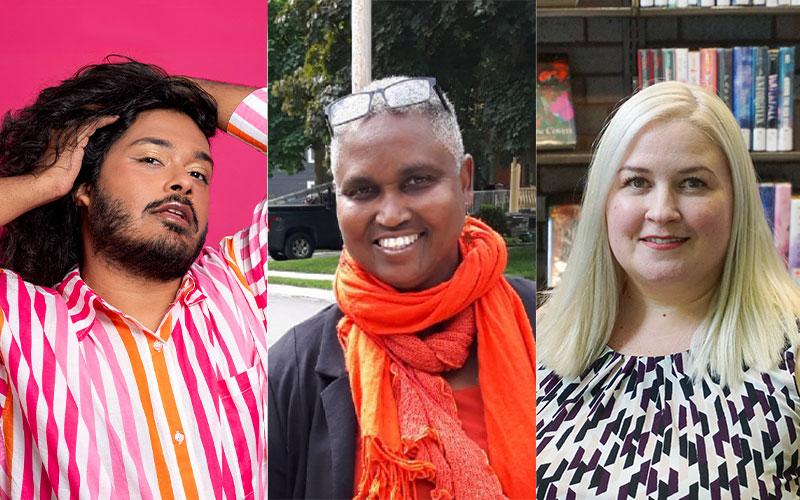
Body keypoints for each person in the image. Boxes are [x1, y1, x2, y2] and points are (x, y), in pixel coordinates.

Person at [0, 60, 267, 497]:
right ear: (82, 188)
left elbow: (323, 134)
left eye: (199, 173)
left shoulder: (244, 284)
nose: (182, 182)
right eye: (152, 159)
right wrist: (43, 183)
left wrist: (169, 89)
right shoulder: (20, 327)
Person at [268, 76, 536, 499]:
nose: (391, 215)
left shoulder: (541, 324)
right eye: (362, 191)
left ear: (465, 182)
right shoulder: (290, 373)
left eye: (417, 181)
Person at [536, 81, 800, 498]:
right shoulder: (537, 340)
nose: (662, 211)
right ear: (605, 199)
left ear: (737, 201)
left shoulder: (792, 350)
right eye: (637, 182)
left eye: (693, 183)